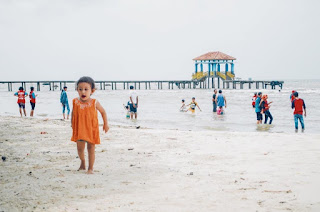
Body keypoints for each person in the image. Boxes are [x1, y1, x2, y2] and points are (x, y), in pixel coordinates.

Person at [71, 76, 109, 174]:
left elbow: (103, 112)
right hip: (79, 129)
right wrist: (72, 124)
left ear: (92, 91)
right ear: (77, 90)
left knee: (91, 148)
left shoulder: (94, 102)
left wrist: (105, 124)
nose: (83, 92)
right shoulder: (75, 101)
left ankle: (90, 168)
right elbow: (73, 113)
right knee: (80, 149)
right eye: (80, 89)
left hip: (91, 129)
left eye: (86, 89)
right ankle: (83, 161)